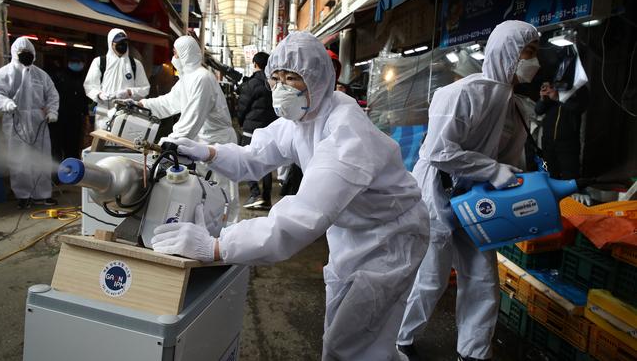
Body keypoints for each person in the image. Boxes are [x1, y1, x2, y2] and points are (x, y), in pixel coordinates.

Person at [151, 31, 430, 360]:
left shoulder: (344, 130)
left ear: (317, 79)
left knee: (355, 341)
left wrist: (218, 245)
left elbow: (304, 215)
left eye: (292, 78)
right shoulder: (301, 119)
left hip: (390, 236)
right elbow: (254, 156)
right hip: (352, 230)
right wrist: (208, 152)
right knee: (346, 332)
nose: (281, 88)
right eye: (276, 78)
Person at [396, 20, 539, 361]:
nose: (533, 62)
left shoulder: (516, 108)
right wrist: (492, 169)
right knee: (431, 276)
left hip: (479, 200)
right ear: (506, 53)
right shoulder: (463, 94)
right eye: (527, 53)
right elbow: (438, 151)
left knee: (483, 279)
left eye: (535, 54)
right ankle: (400, 337)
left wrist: (509, 180)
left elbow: (508, 160)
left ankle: (473, 352)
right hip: (437, 192)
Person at [138, 35, 239, 223]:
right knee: (204, 191)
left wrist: (170, 142)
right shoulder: (187, 80)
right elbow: (168, 103)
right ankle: (208, 228)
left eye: (175, 53)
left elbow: (192, 118)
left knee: (223, 192)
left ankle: (227, 233)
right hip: (202, 143)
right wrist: (142, 104)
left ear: (184, 54)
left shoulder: (202, 78)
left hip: (219, 144)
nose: (173, 57)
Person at [0, 37, 60, 209]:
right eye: (22, 54)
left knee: (41, 157)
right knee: (19, 159)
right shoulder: (4, 73)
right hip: (15, 120)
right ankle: (23, 195)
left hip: (38, 122)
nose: (26, 56)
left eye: (29, 53)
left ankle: (42, 194)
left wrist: (52, 111)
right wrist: (7, 104)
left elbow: (52, 95)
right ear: (14, 54)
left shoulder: (41, 75)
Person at [83, 28, 149, 131]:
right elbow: (89, 86)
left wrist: (129, 92)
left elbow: (145, 88)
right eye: (118, 42)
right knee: (103, 143)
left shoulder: (135, 64)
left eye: (124, 42)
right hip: (104, 113)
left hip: (128, 113)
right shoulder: (100, 62)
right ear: (111, 43)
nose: (122, 45)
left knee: (123, 143)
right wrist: (99, 95)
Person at [236, 51, 278, 209]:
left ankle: (255, 194)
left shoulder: (251, 83)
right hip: (269, 129)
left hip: (251, 130)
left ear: (255, 64)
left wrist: (241, 122)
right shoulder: (273, 83)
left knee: (246, 160)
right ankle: (266, 198)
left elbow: (242, 107)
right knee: (267, 162)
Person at [535, 81, 588, 180]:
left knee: (570, 177)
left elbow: (578, 107)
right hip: (547, 142)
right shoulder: (553, 86)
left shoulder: (579, 87)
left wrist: (558, 98)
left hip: (568, 144)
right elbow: (538, 110)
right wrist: (542, 98)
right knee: (549, 175)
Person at [49, 53, 90, 162]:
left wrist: (86, 116)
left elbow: (84, 100)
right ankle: (56, 175)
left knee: (73, 149)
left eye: (79, 62)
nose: (76, 64)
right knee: (56, 149)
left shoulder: (83, 79)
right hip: (58, 119)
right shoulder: (59, 77)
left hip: (75, 120)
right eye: (74, 62)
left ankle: (71, 174)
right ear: (68, 63)